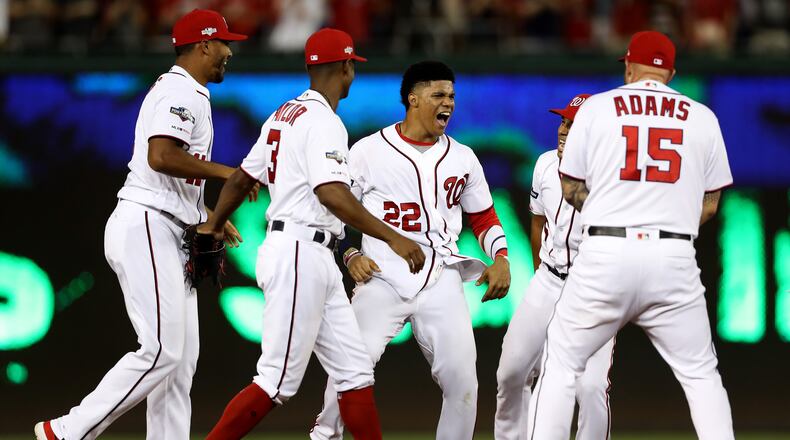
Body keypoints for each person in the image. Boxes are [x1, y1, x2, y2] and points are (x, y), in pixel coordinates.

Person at [200, 28, 426, 440]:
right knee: (276, 381)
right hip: (300, 251)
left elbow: (241, 179)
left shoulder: (282, 114)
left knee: (355, 374)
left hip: (308, 252)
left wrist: (214, 224)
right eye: (351, 67)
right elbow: (332, 193)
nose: (351, 75)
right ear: (344, 68)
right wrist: (393, 237)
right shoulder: (325, 121)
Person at [35, 9, 250, 440]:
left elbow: (172, 171)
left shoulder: (189, 92)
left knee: (180, 360)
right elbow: (161, 156)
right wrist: (231, 175)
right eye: (224, 43)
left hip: (166, 224)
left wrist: (207, 215)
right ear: (204, 45)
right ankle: (66, 431)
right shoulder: (180, 90)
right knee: (161, 351)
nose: (229, 51)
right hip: (148, 226)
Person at [525, 31, 735, 439]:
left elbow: (570, 188)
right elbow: (710, 205)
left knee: (562, 366)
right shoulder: (703, 116)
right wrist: (667, 222)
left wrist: (616, 213)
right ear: (671, 73)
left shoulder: (598, 109)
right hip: (673, 254)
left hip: (606, 249)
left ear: (627, 66)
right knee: (701, 376)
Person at [309, 61, 511, 440]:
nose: (447, 102)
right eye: (438, 95)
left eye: (451, 95)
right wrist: (351, 253)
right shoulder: (368, 150)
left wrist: (501, 257)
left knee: (463, 383)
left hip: (441, 277)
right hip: (382, 276)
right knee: (351, 367)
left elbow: (483, 217)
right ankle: (324, 436)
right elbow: (336, 210)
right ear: (413, 100)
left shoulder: (463, 157)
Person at [494, 94, 615, 440]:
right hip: (548, 280)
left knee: (590, 388)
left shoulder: (612, 179)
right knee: (511, 373)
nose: (564, 130)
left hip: (593, 290)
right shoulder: (544, 165)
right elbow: (537, 224)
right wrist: (539, 278)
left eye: (574, 125)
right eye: (563, 121)